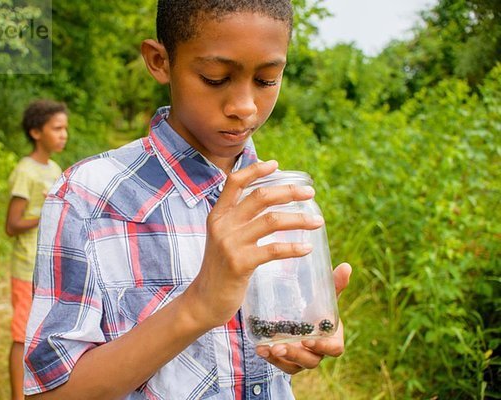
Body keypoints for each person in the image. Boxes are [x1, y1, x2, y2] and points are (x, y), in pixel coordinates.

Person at [23, 1, 352, 398]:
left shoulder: (275, 202)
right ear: (160, 61)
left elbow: (255, 357)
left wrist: (296, 335)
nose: (244, 107)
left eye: (266, 80)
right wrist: (197, 307)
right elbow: (51, 393)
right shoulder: (87, 200)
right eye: (215, 78)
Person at [5, 99, 68, 400]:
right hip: (25, 267)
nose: (63, 134)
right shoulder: (26, 171)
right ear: (35, 132)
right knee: (21, 335)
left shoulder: (55, 168)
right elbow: (12, 224)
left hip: (46, 268)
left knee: (41, 333)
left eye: (64, 128)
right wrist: (44, 215)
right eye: (56, 128)